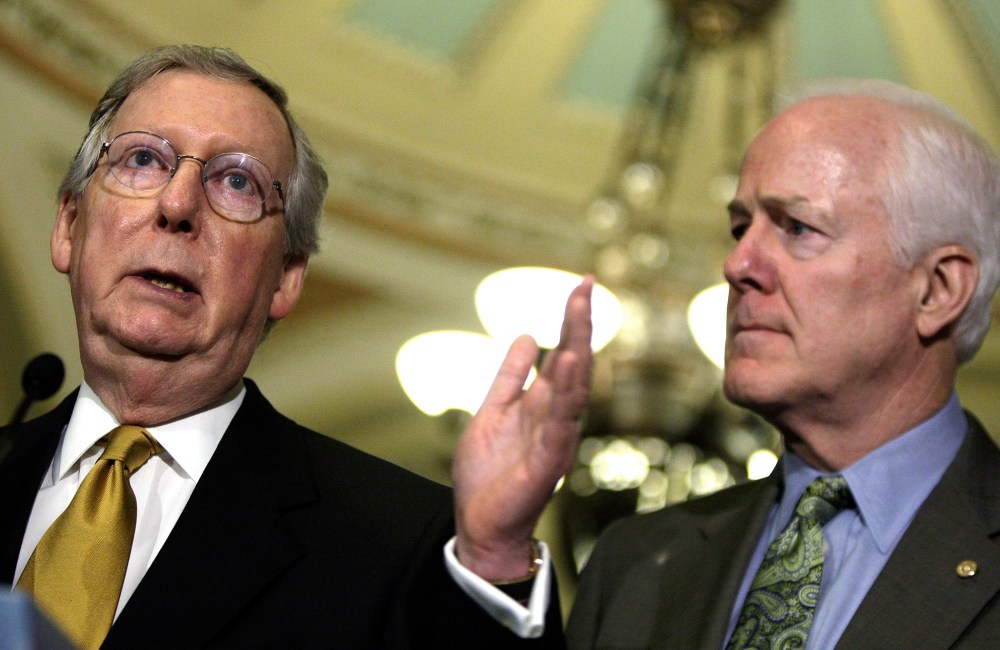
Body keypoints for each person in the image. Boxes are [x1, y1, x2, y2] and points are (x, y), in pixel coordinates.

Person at [0, 44, 594, 649]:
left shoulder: (403, 540)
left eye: (237, 182)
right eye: (144, 159)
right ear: (68, 226)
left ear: (285, 277)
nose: (177, 205)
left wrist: (494, 559)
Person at [564, 80, 1000, 648]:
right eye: (740, 228)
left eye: (798, 228)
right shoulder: (635, 561)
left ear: (938, 289)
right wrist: (493, 555)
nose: (737, 264)